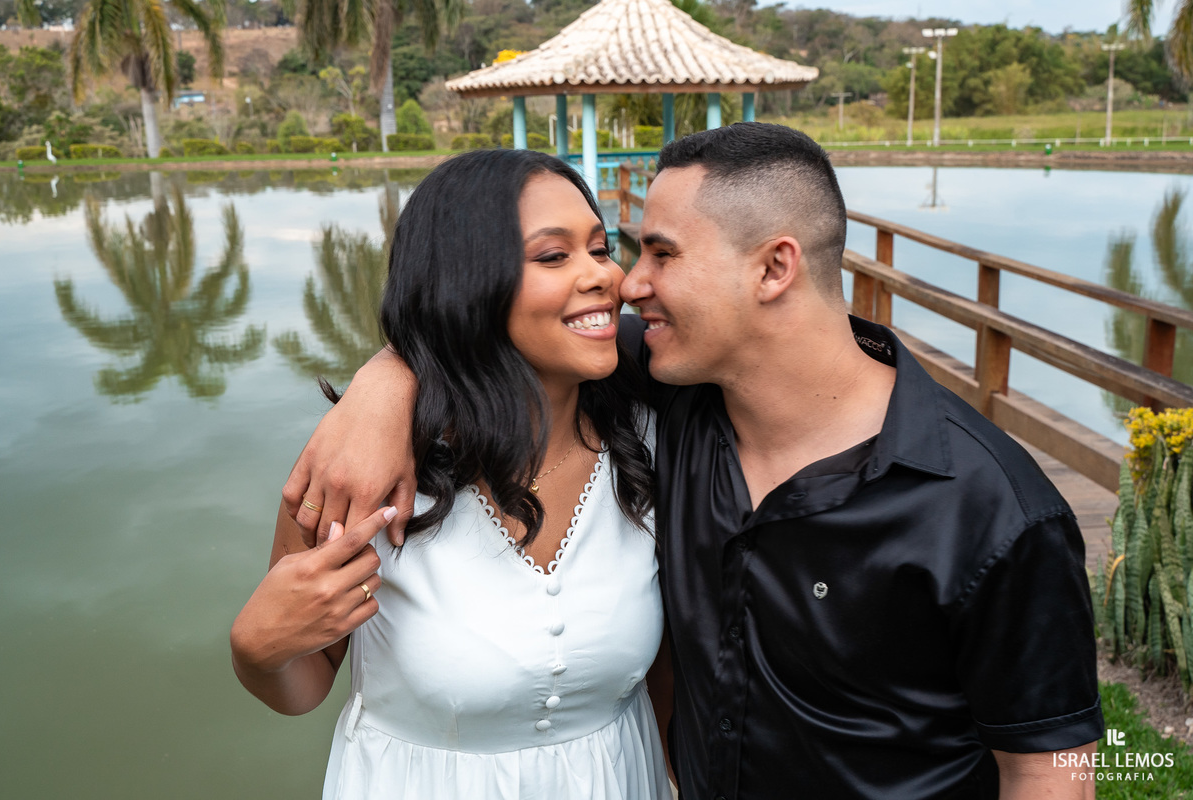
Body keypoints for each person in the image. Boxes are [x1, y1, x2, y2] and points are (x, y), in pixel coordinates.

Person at [282, 123, 1104, 799]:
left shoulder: (992, 507)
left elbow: (1048, 762)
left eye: (659, 254)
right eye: (623, 251)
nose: (624, 284)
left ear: (775, 267)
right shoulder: (670, 400)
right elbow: (480, 324)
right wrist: (385, 384)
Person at [231, 149, 673, 800]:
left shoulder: (650, 440)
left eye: (602, 249)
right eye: (555, 256)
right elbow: (305, 683)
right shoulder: (363, 473)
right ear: (467, 283)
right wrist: (256, 651)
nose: (605, 276)